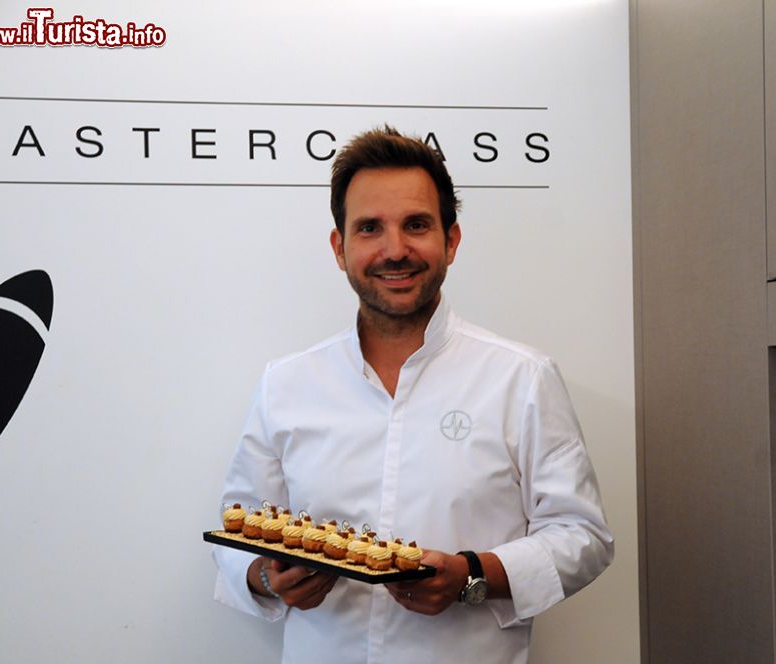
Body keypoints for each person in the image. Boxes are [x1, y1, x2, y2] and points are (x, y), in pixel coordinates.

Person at [212, 126, 613, 663]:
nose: (394, 250)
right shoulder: (286, 383)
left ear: (451, 239)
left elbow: (582, 536)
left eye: (416, 225)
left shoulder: (522, 378)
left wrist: (472, 575)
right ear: (341, 247)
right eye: (370, 228)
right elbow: (241, 521)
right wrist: (266, 575)